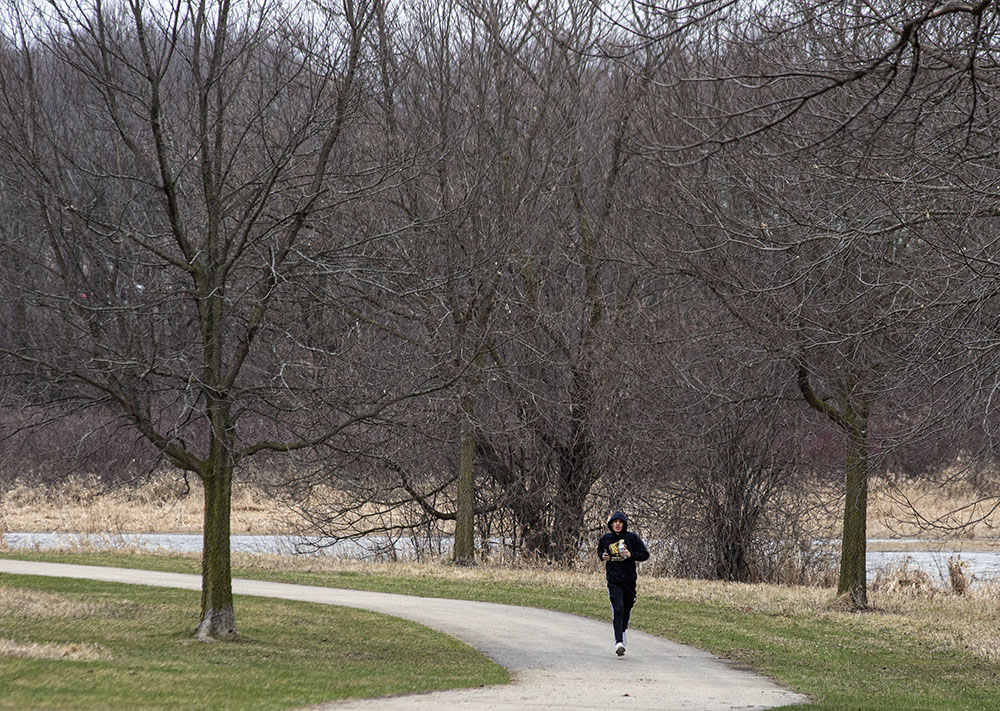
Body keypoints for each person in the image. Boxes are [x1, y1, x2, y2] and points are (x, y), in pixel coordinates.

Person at [597, 510, 649, 656]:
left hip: (629, 581)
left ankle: (623, 629)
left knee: (626, 608)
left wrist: (630, 555)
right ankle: (618, 642)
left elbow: (645, 554)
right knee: (618, 609)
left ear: (624, 524)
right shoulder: (606, 539)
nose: (617, 525)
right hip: (613, 580)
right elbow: (600, 550)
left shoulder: (632, 538)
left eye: (620, 522)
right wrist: (603, 556)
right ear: (611, 524)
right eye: (615, 522)